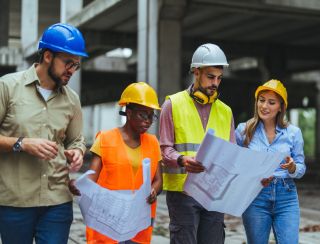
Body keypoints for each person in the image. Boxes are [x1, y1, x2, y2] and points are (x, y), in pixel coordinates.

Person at [0, 23, 88, 244]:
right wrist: (21, 143)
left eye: (76, 65)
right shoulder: (7, 87)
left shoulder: (72, 100)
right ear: (48, 56)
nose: (72, 70)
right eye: (68, 63)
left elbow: (76, 140)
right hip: (14, 202)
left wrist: (76, 152)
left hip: (57, 202)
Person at [160, 43, 236, 244]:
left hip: (213, 193)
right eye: (211, 77)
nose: (215, 83)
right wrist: (182, 160)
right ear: (196, 72)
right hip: (183, 193)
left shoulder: (226, 111)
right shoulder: (172, 105)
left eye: (219, 78)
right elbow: (165, 150)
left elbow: (231, 154)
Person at [69, 82, 163, 243]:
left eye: (151, 116)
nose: (148, 121)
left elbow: (159, 180)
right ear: (129, 112)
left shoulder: (153, 142)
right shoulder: (105, 139)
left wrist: (153, 191)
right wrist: (80, 185)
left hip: (138, 221)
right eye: (143, 115)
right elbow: (92, 177)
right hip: (109, 219)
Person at [235, 79, 306, 244]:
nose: (264, 106)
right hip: (255, 196)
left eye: (271, 102)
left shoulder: (293, 133)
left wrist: (293, 167)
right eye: (261, 100)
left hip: (286, 196)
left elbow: (301, 167)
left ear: (281, 106)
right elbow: (234, 162)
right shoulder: (243, 131)